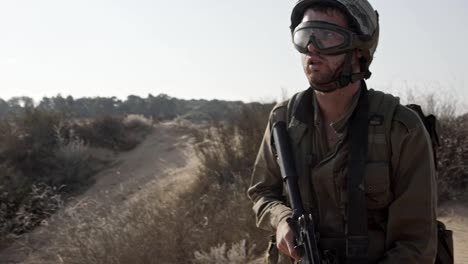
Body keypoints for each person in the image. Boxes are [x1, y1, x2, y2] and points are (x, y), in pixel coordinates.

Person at [247, 0, 438, 263]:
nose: (312, 47)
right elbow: (262, 192)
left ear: (358, 49)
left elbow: (416, 243)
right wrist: (281, 219)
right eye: (305, 35)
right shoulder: (283, 120)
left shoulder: (401, 129)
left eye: (327, 35)